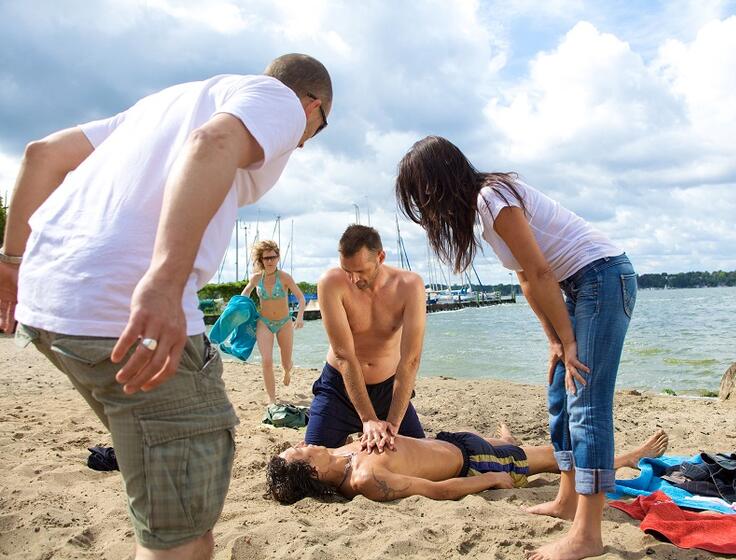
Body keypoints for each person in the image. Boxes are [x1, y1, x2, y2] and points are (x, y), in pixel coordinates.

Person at [0, 53, 332, 559]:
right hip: (119, 308)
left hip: (50, 309)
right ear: (313, 105)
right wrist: (163, 280)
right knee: (183, 532)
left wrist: (10, 263)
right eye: (319, 127)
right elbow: (211, 143)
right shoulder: (281, 100)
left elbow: (42, 153)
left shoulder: (160, 105)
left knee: (157, 480)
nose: (307, 140)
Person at [395, 136, 637, 560]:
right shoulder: (484, 210)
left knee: (588, 402)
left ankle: (588, 533)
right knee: (561, 395)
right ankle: (566, 501)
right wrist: (553, 340)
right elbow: (526, 278)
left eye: (423, 195)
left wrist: (569, 339)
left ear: (439, 181)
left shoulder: (493, 197)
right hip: (579, 287)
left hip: (602, 277)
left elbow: (543, 272)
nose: (426, 208)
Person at [268, 426, 668, 503]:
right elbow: (437, 490)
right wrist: (490, 481)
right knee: (550, 458)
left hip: (452, 441)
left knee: (517, 446)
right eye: (300, 451)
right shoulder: (367, 480)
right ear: (313, 472)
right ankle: (625, 458)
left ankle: (507, 441)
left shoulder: (340, 453)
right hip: (474, 462)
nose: (305, 443)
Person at [305, 224, 427, 452]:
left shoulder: (410, 285)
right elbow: (343, 355)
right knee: (313, 463)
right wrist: (368, 420)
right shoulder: (330, 283)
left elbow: (410, 360)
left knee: (421, 454)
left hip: (388, 391)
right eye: (347, 270)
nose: (353, 278)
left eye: (361, 271)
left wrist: (392, 424)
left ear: (380, 257)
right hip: (339, 387)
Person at [241, 240, 305, 403]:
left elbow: (300, 298)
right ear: (261, 260)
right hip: (264, 323)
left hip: (284, 323)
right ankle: (272, 399)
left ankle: (286, 370)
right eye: (266, 258)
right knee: (267, 360)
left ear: (278, 258)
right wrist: (239, 309)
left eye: (273, 257)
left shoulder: (284, 277)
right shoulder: (256, 278)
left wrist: (299, 317)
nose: (269, 261)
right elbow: (245, 294)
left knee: (285, 361)